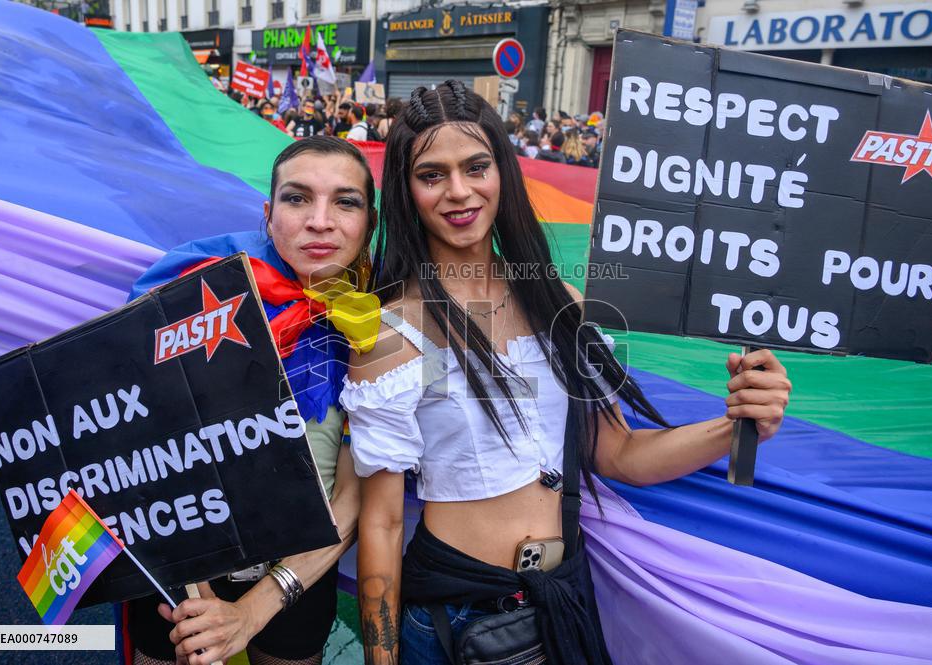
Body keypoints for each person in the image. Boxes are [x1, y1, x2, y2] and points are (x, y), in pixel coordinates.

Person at [341, 80, 791, 664]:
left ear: (503, 172)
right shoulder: (392, 332)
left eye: (476, 167)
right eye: (432, 175)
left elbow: (619, 454)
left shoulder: (562, 305)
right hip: (454, 616)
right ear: (407, 190)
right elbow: (381, 524)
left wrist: (738, 424)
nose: (459, 191)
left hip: (563, 601)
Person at [123, 137, 379, 665]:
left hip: (301, 571)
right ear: (268, 215)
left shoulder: (382, 323)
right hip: (176, 566)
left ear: (369, 222)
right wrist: (196, 600)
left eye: (345, 202)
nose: (320, 221)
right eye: (297, 198)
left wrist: (254, 610)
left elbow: (357, 496)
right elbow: (134, 450)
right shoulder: (193, 287)